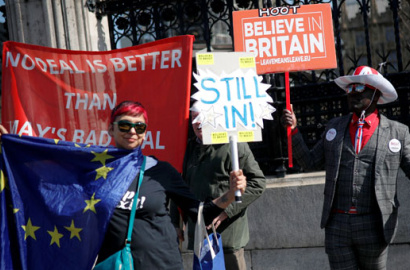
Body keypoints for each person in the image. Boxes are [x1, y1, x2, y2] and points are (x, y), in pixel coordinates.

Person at [0, 100, 247, 270]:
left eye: (139, 126)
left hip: (161, 264)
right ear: (111, 128)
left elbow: (199, 213)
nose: (132, 131)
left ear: (145, 132)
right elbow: (51, 183)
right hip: (116, 264)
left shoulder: (161, 171)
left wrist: (229, 194)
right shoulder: (94, 170)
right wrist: (11, 146)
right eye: (125, 125)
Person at [281, 66, 410, 270]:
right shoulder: (334, 127)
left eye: (359, 88)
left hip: (375, 225)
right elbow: (309, 162)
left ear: (376, 94)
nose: (352, 93)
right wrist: (293, 131)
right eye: (349, 89)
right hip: (337, 225)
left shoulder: (397, 132)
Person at [170, 105, 266, 270]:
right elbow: (178, 186)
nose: (198, 123)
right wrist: (175, 222)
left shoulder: (233, 144)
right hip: (199, 235)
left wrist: (226, 212)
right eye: (194, 118)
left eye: (202, 117)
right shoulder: (186, 148)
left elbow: (257, 182)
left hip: (227, 238)